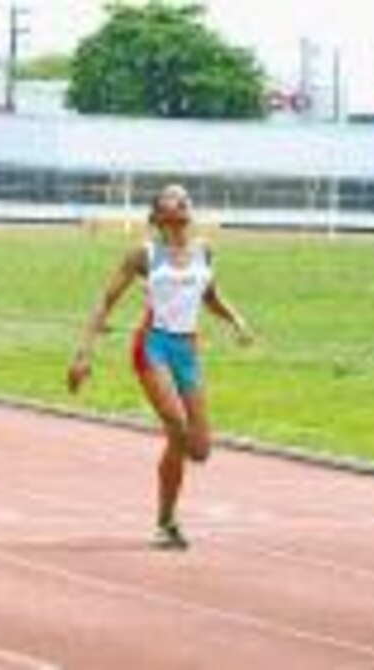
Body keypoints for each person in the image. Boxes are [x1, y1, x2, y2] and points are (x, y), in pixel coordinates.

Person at [67, 184, 253, 550]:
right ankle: (165, 523)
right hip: (153, 345)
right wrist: (83, 354)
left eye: (185, 196)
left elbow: (210, 297)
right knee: (177, 426)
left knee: (199, 449)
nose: (181, 199)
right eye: (171, 197)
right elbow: (105, 302)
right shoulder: (144, 254)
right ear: (156, 215)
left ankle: (167, 513)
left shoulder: (204, 250)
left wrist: (236, 320)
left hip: (187, 350)